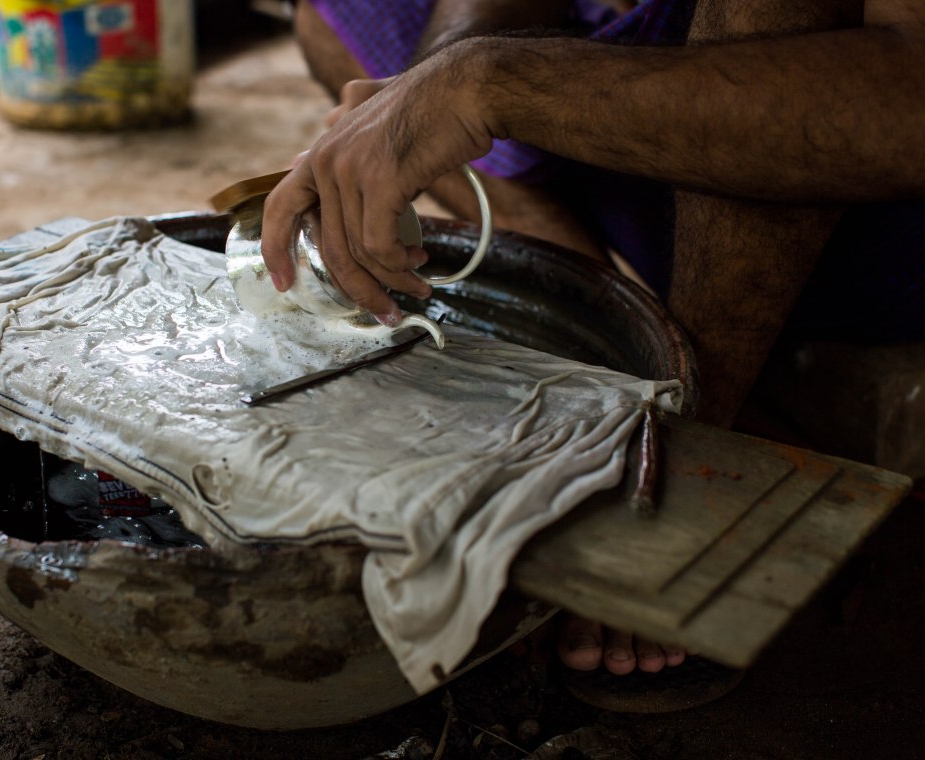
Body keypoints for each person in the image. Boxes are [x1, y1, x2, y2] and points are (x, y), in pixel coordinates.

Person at [260, 0, 925, 679]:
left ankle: (689, 423)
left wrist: (491, 82)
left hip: (873, 203)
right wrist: (428, 83)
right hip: (652, 158)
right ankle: (604, 317)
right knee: (337, 12)